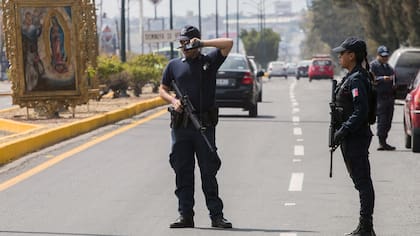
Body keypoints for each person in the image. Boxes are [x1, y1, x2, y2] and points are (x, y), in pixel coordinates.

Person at [159, 25, 233, 229]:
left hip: (204, 125)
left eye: (188, 42)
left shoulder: (209, 61)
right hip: (181, 127)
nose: (184, 46)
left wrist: (203, 43)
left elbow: (228, 44)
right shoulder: (173, 65)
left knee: (208, 171)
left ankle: (216, 216)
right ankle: (185, 216)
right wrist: (173, 101)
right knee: (182, 171)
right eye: (182, 42)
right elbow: (162, 89)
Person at [331, 37, 376, 236]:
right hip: (352, 136)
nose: (339, 56)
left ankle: (366, 226)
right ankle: (365, 225)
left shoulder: (357, 79)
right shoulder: (352, 76)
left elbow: (361, 110)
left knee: (363, 182)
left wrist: (344, 130)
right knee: (360, 181)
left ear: (352, 56)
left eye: (342, 53)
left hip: (355, 137)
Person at [370, 45, 396, 151]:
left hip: (389, 97)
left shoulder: (389, 67)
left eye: (386, 56)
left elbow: (393, 78)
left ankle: (385, 141)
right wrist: (382, 79)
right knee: (382, 120)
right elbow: (371, 79)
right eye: (383, 56)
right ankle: (381, 142)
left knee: (388, 120)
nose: (385, 58)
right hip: (379, 96)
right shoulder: (373, 66)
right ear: (378, 55)